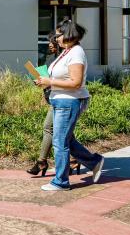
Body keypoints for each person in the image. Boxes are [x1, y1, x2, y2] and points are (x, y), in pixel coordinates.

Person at [35, 19, 104, 191]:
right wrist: (45, 82)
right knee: (67, 140)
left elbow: (76, 82)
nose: (55, 38)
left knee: (59, 142)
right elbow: (62, 78)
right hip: (60, 100)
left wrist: (50, 81)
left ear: (67, 34)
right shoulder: (67, 52)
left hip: (69, 101)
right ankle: (94, 162)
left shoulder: (76, 53)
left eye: (58, 35)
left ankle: (61, 181)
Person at [26, 31, 81, 176]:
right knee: (63, 131)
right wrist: (40, 81)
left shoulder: (67, 57)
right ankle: (75, 159)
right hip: (53, 97)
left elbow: (72, 80)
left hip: (64, 98)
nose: (50, 44)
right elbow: (48, 77)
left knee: (49, 128)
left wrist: (49, 82)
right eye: (49, 41)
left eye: (53, 41)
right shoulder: (52, 58)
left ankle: (42, 161)